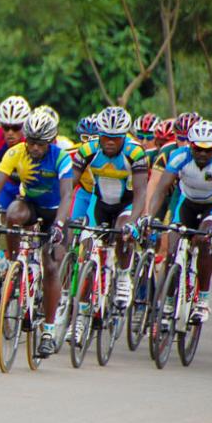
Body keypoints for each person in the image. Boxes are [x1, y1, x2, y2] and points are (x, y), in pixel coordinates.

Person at [0, 111, 73, 357]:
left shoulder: (61, 158)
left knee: (51, 266)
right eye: (30, 141)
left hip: (56, 212)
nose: (33, 147)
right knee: (12, 213)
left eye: (39, 144)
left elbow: (66, 195)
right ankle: (15, 264)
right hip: (30, 206)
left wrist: (60, 225)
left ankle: (48, 331)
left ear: (50, 142)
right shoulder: (15, 153)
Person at [63, 106, 148, 341]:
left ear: (123, 137)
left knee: (123, 232)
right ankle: (78, 321)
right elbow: (69, 186)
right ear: (99, 134)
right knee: (88, 252)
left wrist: (133, 222)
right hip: (100, 204)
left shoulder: (136, 153)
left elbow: (141, 194)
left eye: (115, 137)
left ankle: (122, 275)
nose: (109, 142)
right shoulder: (88, 149)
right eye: (105, 136)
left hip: (126, 205)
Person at [145, 120, 212, 322]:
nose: (202, 154)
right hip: (187, 203)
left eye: (208, 149)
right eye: (197, 149)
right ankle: (168, 301)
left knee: (205, 242)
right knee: (171, 250)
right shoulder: (179, 157)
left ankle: (202, 300)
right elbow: (161, 189)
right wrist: (150, 216)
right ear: (190, 145)